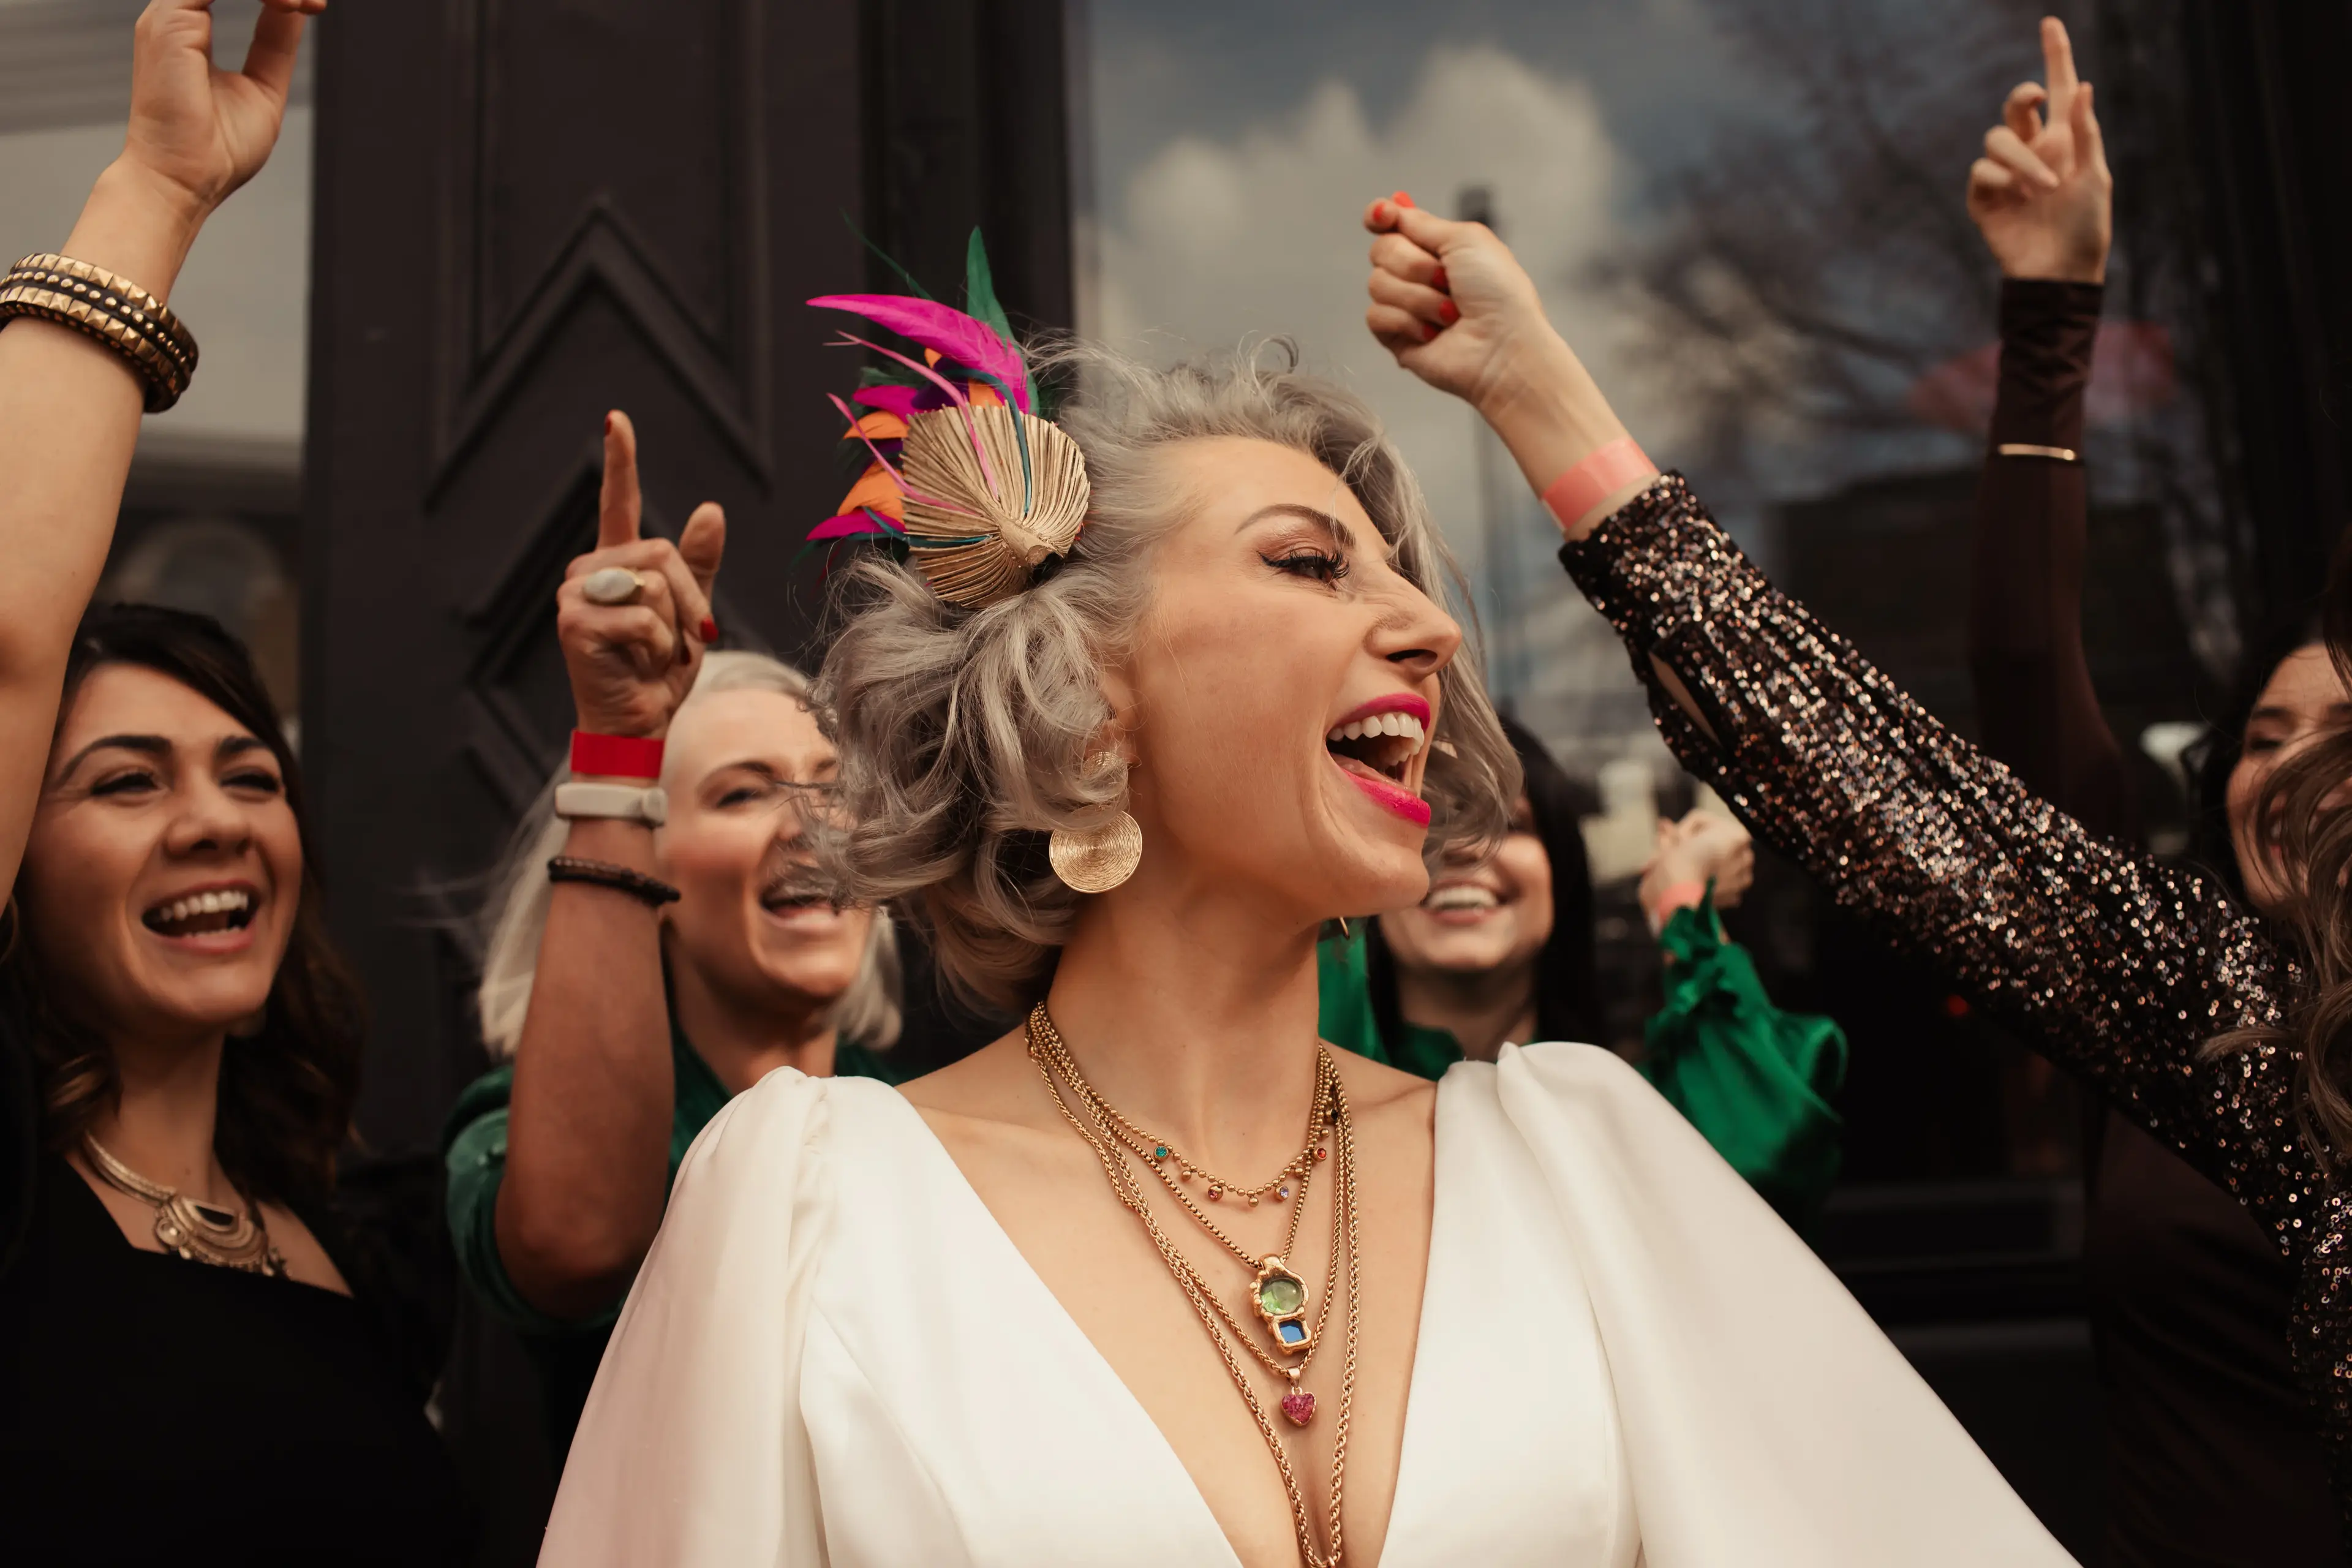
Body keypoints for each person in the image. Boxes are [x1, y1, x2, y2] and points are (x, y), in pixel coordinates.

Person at [537, 276, 2076, 1564]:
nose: (1428, 626)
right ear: (1080, 697)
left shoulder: (1574, 1169)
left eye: (1402, 578)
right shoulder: (818, 1216)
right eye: (1307, 562)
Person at [1353, 27, 2352, 1528]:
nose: (2304, 776)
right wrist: (1534, 386)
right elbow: (1880, 777)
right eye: (2274, 741)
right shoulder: (2250, 1028)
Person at [0, 6, 467, 1562]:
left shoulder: (367, 1247)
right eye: (125, 781)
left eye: (251, 771)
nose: (215, 820)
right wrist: (154, 189)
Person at [1962, 20, 2340, 1559]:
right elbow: (2020, 665)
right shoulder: (2157, 987)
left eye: (2341, 737)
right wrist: (2053, 311)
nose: (2292, 768)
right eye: (2262, 735)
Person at [442, 412, 903, 1457]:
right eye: (743, 793)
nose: (811, 824)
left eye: (834, 786)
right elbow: (576, 1243)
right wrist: (620, 746)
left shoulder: (932, 1123)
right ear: (645, 869)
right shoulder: (515, 1127)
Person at [1319, 717, 1848, 1229]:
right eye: (1428, 820)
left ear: (1562, 877)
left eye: (1508, 825)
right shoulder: (1314, 1100)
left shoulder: (1635, 1116)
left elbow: (1762, 1153)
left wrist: (1681, 905)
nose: (1466, 847)